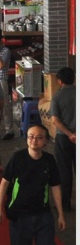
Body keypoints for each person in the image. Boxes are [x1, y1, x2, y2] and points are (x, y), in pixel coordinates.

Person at [0, 124, 66, 245]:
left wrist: (60, 214)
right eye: (31, 136)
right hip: (19, 216)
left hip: (43, 214)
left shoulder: (49, 160)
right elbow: (4, 183)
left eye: (39, 137)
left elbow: (55, 186)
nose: (34, 140)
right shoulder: (17, 158)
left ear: (46, 141)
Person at [49, 66, 76, 211]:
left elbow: (55, 121)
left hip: (63, 139)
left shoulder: (57, 96)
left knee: (64, 172)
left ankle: (65, 204)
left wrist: (69, 134)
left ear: (59, 81)